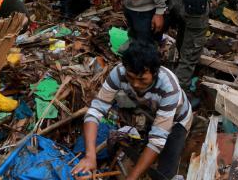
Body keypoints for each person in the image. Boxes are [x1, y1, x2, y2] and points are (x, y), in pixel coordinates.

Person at [72, 41, 192, 180]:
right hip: (152, 113)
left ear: (154, 72)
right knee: (146, 148)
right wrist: (90, 156)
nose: (135, 84)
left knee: (165, 169)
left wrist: (131, 178)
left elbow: (157, 140)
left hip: (178, 120)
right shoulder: (119, 72)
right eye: (131, 77)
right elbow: (95, 110)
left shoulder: (169, 88)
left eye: (142, 79)